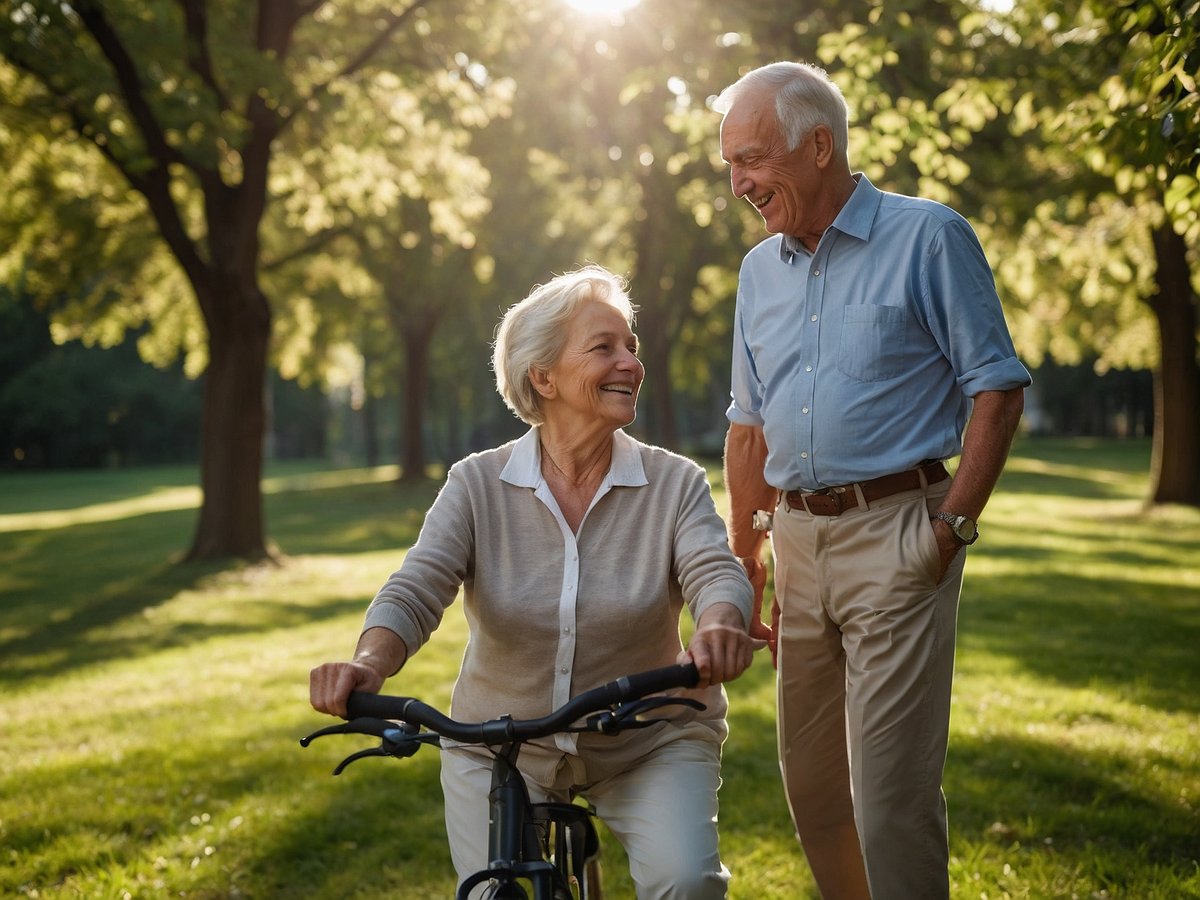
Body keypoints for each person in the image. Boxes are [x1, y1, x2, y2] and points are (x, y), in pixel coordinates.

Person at [310, 265, 764, 899]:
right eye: (603, 347)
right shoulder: (476, 484)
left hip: (647, 738)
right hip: (499, 747)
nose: (630, 361)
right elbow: (417, 587)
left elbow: (715, 570)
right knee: (493, 894)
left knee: (686, 881)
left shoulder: (674, 482)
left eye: (630, 345)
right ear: (543, 377)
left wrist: (719, 625)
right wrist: (368, 663)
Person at [713, 62, 1032, 899]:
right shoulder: (758, 274)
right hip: (796, 545)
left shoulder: (928, 237)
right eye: (730, 167)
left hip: (900, 532)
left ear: (819, 145)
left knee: (889, 800)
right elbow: (749, 424)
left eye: (752, 159)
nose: (740, 183)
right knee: (812, 788)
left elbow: (996, 388)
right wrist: (745, 554)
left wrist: (949, 530)